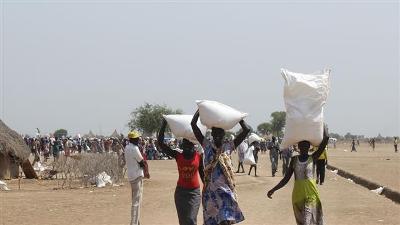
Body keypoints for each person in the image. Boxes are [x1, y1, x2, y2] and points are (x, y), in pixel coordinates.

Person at [191, 110, 250, 225]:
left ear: (224, 135)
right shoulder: (207, 145)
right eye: (215, 134)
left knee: (225, 220)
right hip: (210, 192)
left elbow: (246, 130)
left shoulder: (229, 146)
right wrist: (199, 111)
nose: (217, 137)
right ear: (211, 135)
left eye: (220, 135)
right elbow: (193, 125)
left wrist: (238, 117)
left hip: (225, 192)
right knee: (213, 221)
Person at [267, 125, 329, 225]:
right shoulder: (294, 160)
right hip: (298, 196)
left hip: (311, 195)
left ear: (309, 147)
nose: (304, 147)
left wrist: (322, 124)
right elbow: (285, 179)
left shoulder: (313, 158)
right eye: (302, 145)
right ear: (298, 147)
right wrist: (273, 189)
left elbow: (325, 139)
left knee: (308, 221)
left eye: (306, 145)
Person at [158, 119, 204, 225]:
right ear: (182, 146)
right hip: (180, 192)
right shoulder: (178, 155)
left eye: (189, 145)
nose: (187, 148)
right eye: (185, 146)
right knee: (183, 221)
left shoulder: (199, 157)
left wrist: (207, 187)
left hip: (194, 193)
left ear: (194, 146)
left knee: (191, 219)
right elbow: (161, 143)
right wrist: (164, 124)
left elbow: (202, 174)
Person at [125, 131, 150, 225]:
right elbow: (142, 161)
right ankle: (134, 223)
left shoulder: (127, 147)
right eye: (137, 138)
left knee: (135, 199)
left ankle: (137, 221)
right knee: (136, 202)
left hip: (131, 176)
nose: (138, 140)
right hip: (137, 175)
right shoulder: (134, 148)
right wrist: (147, 172)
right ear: (134, 139)